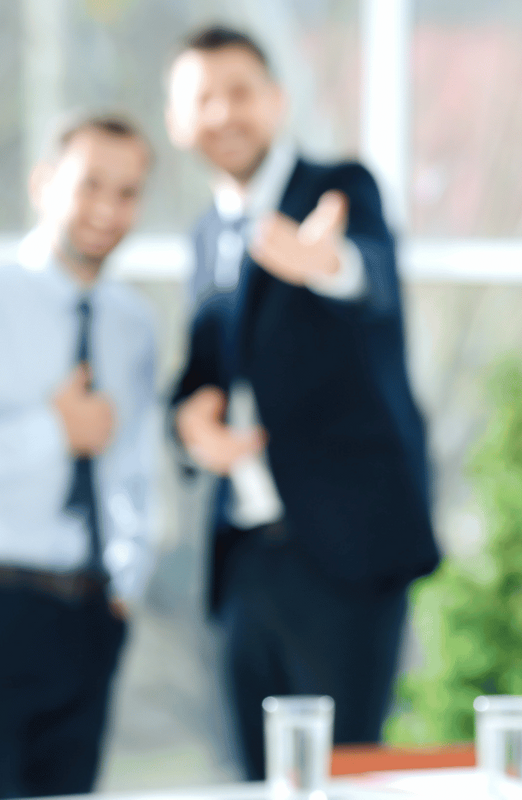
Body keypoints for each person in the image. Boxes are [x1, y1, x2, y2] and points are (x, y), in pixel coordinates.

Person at [164, 25, 440, 779]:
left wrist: (328, 263)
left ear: (277, 101)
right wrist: (191, 431)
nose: (224, 113)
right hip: (243, 556)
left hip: (344, 551)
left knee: (343, 775)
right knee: (254, 780)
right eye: (202, 99)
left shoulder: (341, 187)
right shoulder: (206, 235)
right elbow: (203, 374)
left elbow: (373, 281)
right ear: (178, 120)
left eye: (240, 93)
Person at [0, 114, 158, 800]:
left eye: (127, 192)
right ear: (43, 184)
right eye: (90, 183)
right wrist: (51, 429)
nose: (107, 208)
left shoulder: (133, 323)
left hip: (90, 616)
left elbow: (134, 467)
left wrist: (130, 580)